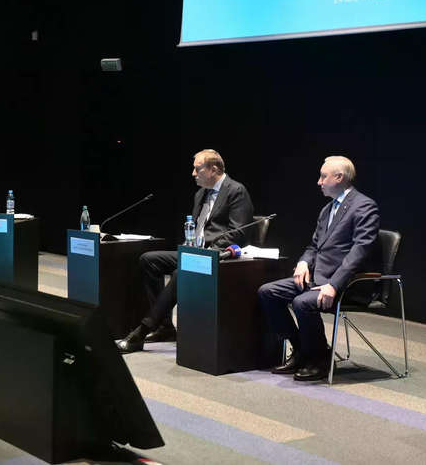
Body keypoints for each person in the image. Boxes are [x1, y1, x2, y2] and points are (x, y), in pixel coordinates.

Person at [117, 149, 254, 353]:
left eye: (198, 169)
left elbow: (238, 232)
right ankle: (165, 327)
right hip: (196, 252)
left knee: (180, 272)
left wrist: (208, 251)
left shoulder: (236, 190)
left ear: (213, 169)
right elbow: (196, 228)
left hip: (220, 256)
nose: (193, 173)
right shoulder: (201, 193)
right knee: (149, 260)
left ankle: (143, 329)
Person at [258, 156, 380, 381]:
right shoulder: (327, 210)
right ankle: (302, 351)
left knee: (302, 302)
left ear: (339, 177)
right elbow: (314, 246)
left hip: (347, 284)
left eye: (323, 176)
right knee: (268, 292)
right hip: (318, 278)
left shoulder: (364, 206)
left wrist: (334, 284)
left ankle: (321, 358)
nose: (319, 182)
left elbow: (360, 251)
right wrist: (304, 262)